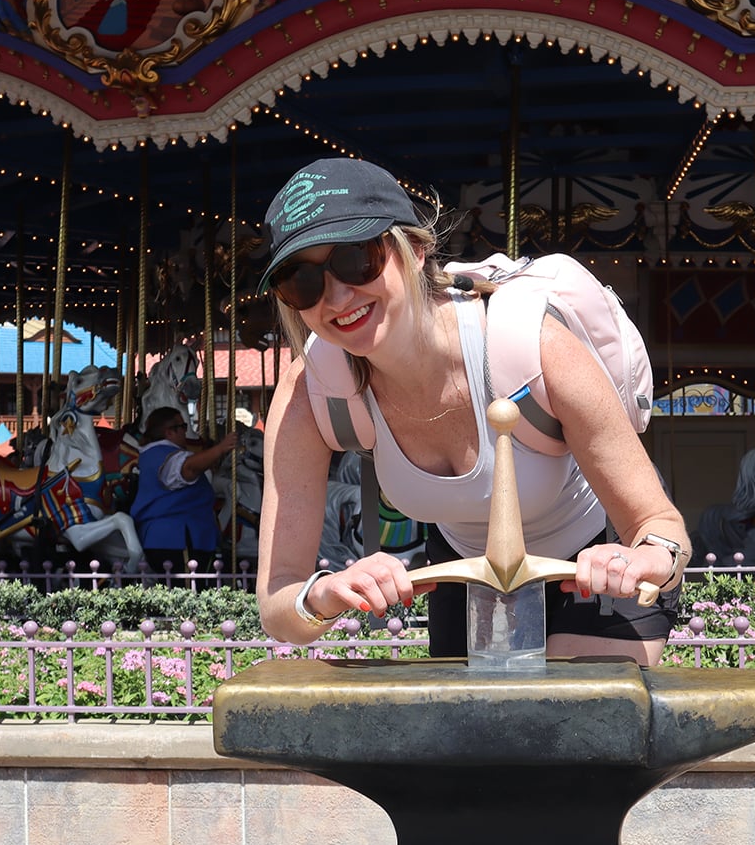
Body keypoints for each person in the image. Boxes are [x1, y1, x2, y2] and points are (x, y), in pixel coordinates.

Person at [255, 157, 691, 664]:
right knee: (472, 735)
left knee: (572, 724)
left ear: (415, 250)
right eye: (300, 281)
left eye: (357, 260)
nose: (336, 296)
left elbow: (661, 527)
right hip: (468, 567)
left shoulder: (532, 349)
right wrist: (322, 595)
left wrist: (644, 559)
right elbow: (278, 602)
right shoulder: (311, 391)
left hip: (597, 559)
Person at [130, 406, 239, 573]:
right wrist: (221, 448)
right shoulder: (163, 454)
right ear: (169, 432)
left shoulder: (152, 454)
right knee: (188, 590)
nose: (185, 432)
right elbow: (188, 468)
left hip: (166, 536)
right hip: (178, 537)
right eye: (183, 427)